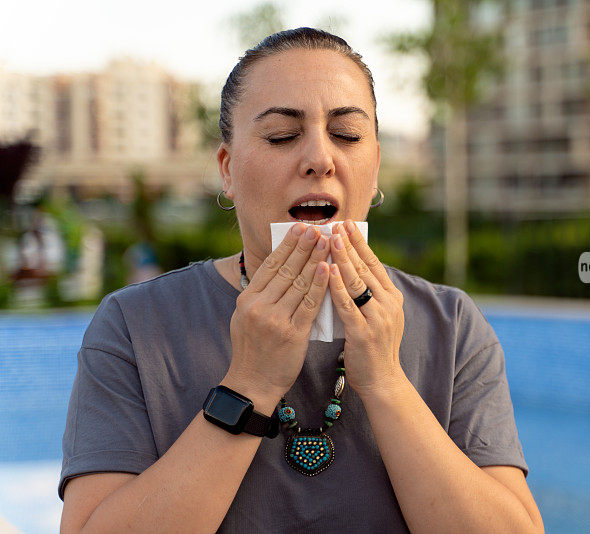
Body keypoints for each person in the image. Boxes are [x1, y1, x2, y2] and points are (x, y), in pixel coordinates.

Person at [58, 28, 544, 533]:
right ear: (226, 169)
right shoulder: (136, 326)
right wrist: (250, 384)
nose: (320, 158)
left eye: (348, 135)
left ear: (374, 167)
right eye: (282, 136)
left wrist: (385, 381)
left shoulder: (452, 325)